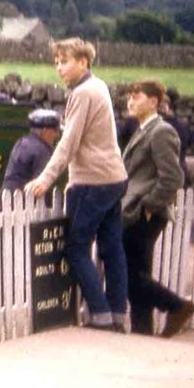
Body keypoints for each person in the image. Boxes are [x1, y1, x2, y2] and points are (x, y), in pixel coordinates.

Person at [25, 38, 129, 332]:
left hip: (92, 181)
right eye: (56, 61)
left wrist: (46, 178)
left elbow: (69, 142)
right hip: (114, 177)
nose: (59, 67)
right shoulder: (100, 86)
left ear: (83, 62)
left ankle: (99, 315)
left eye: (65, 61)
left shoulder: (82, 93)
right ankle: (118, 313)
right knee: (111, 247)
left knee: (76, 248)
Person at [119, 80, 194, 337]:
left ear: (153, 102)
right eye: (129, 97)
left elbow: (173, 177)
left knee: (129, 275)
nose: (131, 102)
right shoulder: (142, 130)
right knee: (139, 274)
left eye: (137, 97)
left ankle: (178, 306)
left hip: (145, 213)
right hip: (137, 211)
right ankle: (143, 332)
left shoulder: (161, 131)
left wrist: (149, 206)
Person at [2, 109, 61, 192]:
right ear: (45, 131)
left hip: (7, 197)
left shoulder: (22, 142)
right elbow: (42, 186)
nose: (57, 135)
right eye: (55, 131)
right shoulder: (42, 151)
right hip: (25, 201)